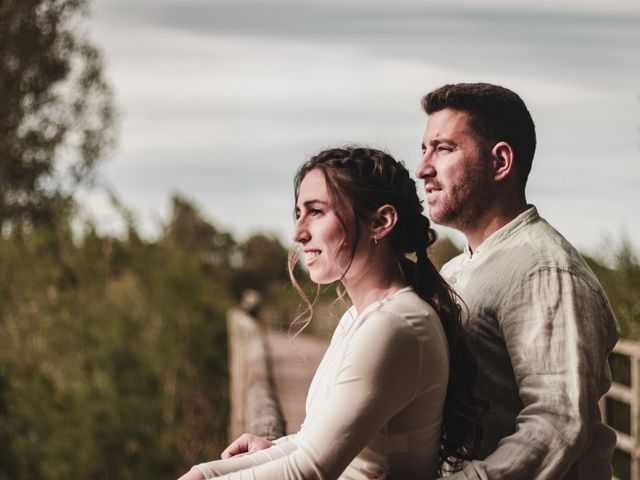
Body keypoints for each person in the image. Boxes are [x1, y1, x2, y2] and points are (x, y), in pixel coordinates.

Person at [178, 147, 481, 479]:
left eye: (317, 212)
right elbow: (310, 444)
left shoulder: (395, 325)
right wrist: (204, 471)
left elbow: (309, 469)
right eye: (299, 214)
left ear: (381, 222)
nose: (298, 233)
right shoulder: (359, 318)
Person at [415, 82, 620, 479]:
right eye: (425, 149)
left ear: (501, 162)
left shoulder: (544, 271)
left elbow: (556, 423)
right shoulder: (458, 269)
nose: (423, 167)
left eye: (443, 148)